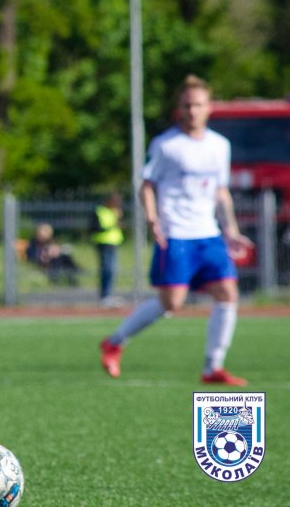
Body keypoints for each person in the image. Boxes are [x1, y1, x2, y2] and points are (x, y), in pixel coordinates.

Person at [100, 75, 253, 386]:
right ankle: (114, 342)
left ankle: (212, 367)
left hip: (208, 233)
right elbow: (147, 184)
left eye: (198, 105)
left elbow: (220, 191)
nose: (192, 111)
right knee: (172, 303)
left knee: (228, 293)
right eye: (186, 105)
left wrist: (231, 230)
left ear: (209, 107)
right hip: (177, 233)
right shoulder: (166, 145)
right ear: (178, 109)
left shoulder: (219, 146)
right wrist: (152, 218)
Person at [91, 192, 124, 306]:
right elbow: (94, 228)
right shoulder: (99, 211)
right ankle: (105, 295)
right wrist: (112, 226)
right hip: (103, 244)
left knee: (112, 270)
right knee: (107, 270)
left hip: (113, 244)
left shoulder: (115, 212)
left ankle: (109, 294)